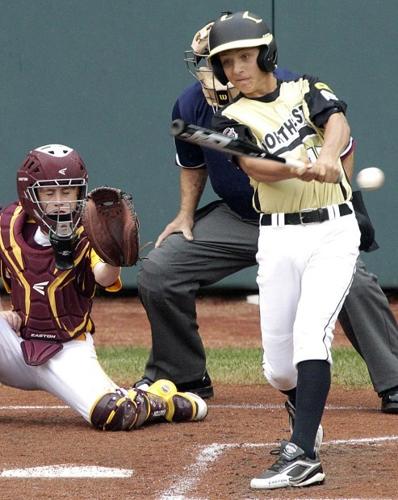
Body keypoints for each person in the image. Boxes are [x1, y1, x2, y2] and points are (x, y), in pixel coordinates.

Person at [135, 20, 398, 414]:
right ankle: (183, 374)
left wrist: (331, 178)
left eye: (238, 58)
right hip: (242, 218)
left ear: (260, 57)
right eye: (217, 62)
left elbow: (340, 135)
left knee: (355, 285)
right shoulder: (192, 105)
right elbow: (193, 162)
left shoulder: (292, 87)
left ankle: (394, 379)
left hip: (308, 218)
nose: (227, 69)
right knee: (160, 270)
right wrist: (185, 215)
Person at [207, 9, 372, 488]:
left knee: (310, 337)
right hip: (278, 236)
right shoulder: (229, 118)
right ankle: (304, 416)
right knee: (279, 369)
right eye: (228, 61)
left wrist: (324, 156)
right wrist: (293, 168)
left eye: (245, 56)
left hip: (332, 232)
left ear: (265, 54)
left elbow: (336, 123)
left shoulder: (307, 89)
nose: (237, 68)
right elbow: (257, 168)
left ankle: (302, 455)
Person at [0, 144, 207, 432]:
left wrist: (114, 256)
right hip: (15, 344)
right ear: (30, 194)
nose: (60, 202)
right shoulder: (8, 226)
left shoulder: (88, 229)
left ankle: (161, 399)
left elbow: (103, 277)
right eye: (50, 193)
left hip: (66, 349)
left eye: (68, 192)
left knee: (113, 413)